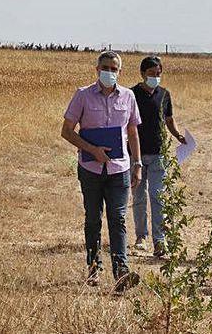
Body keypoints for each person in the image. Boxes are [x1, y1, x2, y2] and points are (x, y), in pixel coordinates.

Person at [60, 51, 143, 291]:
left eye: (114, 68)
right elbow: (66, 131)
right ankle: (94, 268)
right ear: (97, 69)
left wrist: (137, 164)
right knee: (93, 218)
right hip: (91, 169)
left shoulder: (128, 96)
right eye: (105, 67)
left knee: (118, 219)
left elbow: (133, 133)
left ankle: (121, 272)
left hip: (120, 170)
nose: (109, 72)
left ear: (120, 72)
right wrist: (92, 150)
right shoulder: (82, 95)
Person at [130, 56, 186, 257]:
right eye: (152, 74)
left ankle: (159, 240)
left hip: (158, 153)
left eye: (158, 74)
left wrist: (178, 135)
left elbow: (169, 120)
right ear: (142, 74)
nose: (155, 77)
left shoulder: (164, 95)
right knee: (138, 196)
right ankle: (141, 237)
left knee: (158, 196)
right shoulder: (131, 94)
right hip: (135, 154)